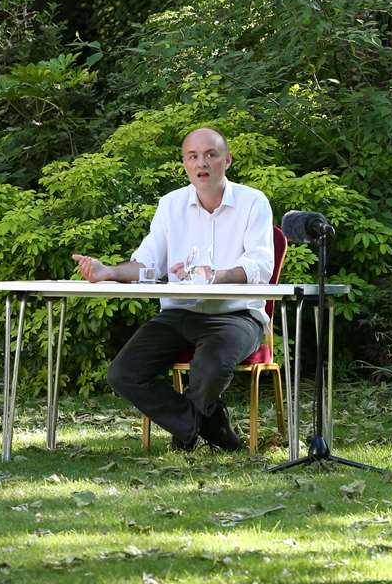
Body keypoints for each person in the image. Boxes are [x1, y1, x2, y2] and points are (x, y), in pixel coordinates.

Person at [71, 127, 275, 451]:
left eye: (210, 154)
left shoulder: (253, 202)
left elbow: (262, 264)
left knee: (209, 370)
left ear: (227, 160)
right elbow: (147, 265)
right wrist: (107, 271)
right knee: (123, 373)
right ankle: (208, 424)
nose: (202, 163)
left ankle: (188, 431)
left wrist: (218, 276)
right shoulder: (170, 205)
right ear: (184, 164)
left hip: (236, 315)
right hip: (179, 313)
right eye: (193, 156)